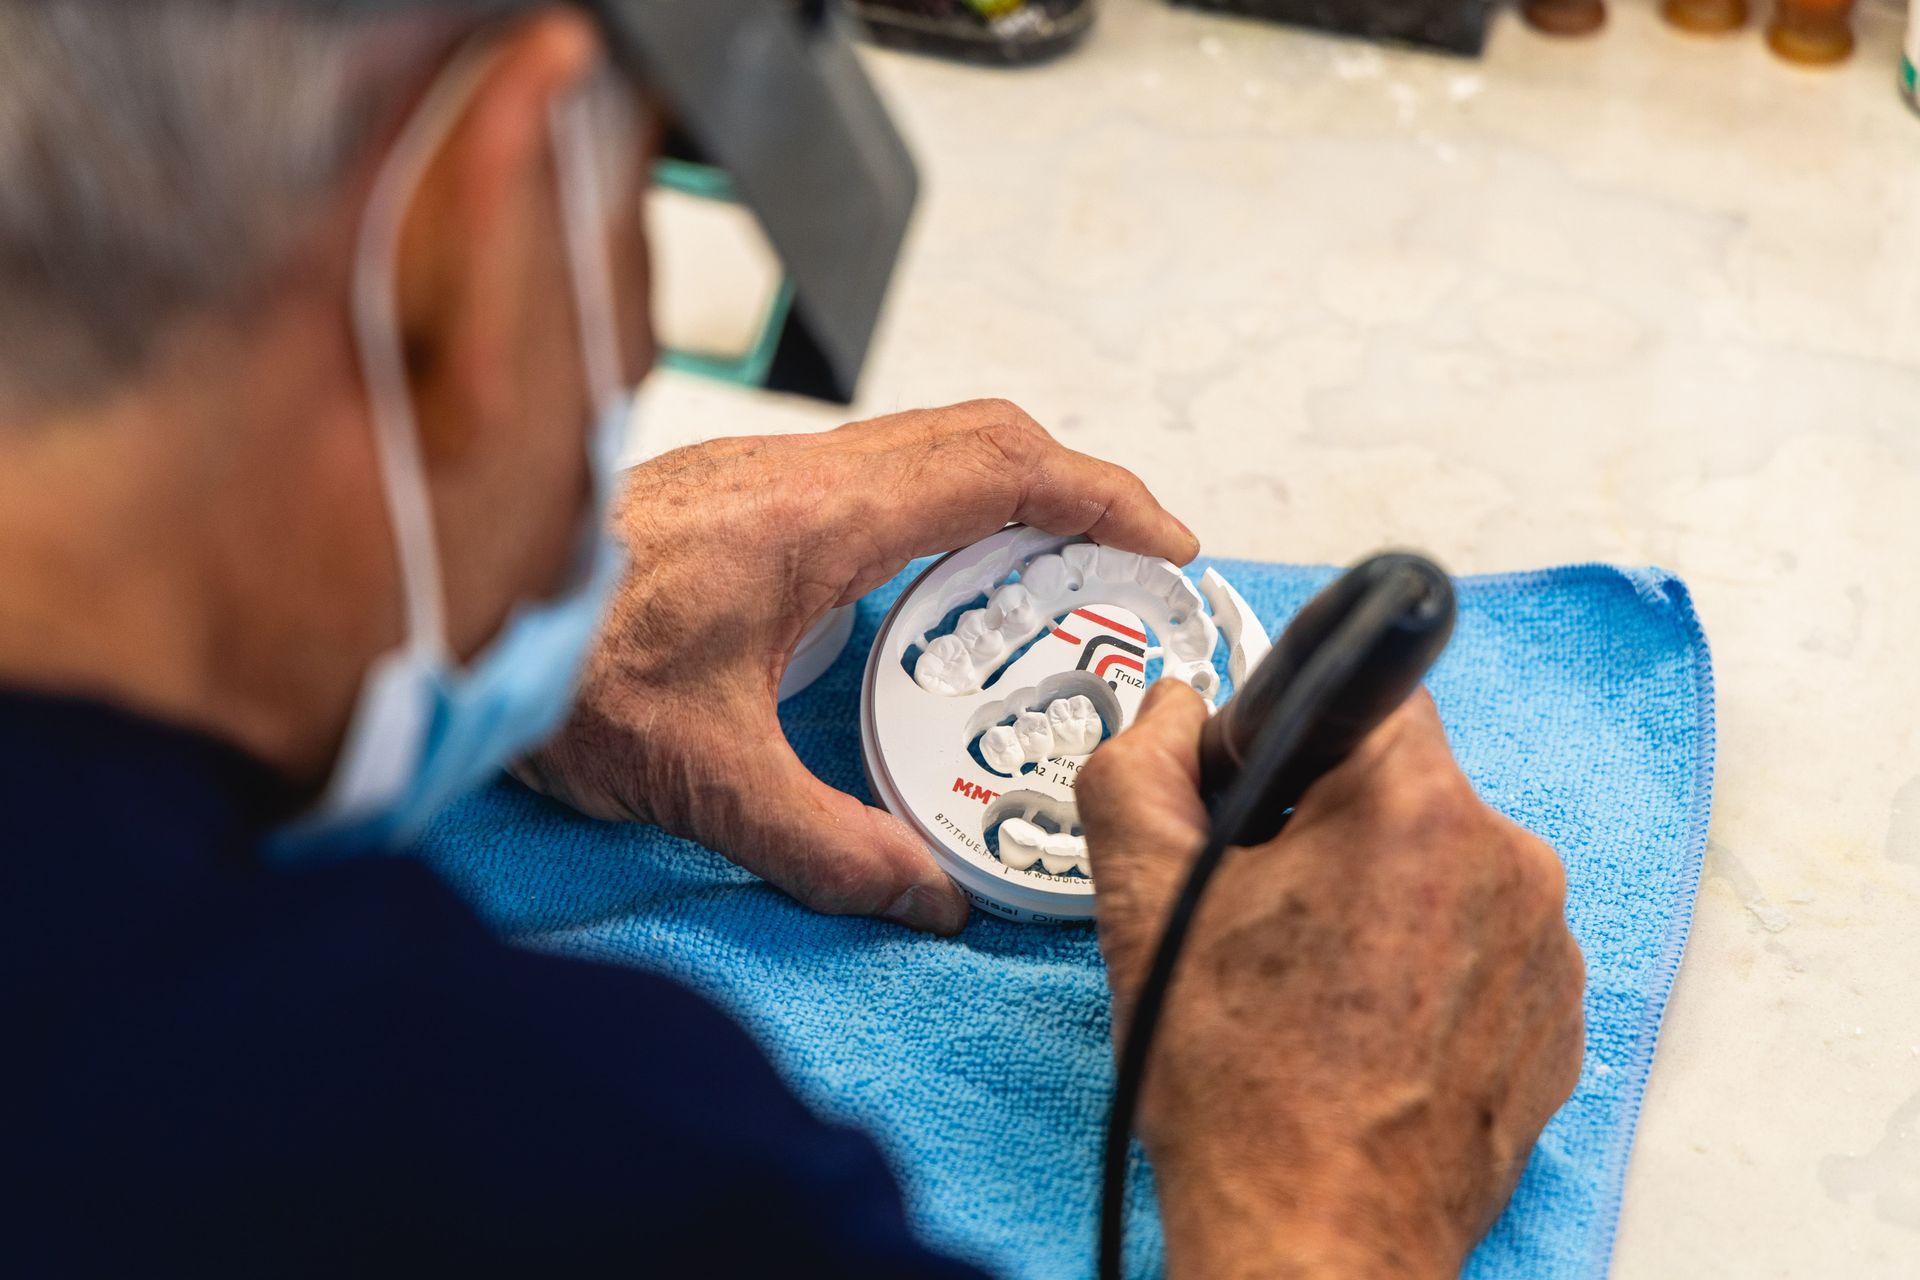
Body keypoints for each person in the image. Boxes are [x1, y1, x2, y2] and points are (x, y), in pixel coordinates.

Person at [0, 3, 1585, 1276]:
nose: (626, 345)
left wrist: (384, 583)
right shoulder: (521, 1158)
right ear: (471, 232)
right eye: (630, 205)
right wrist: (1324, 1200)